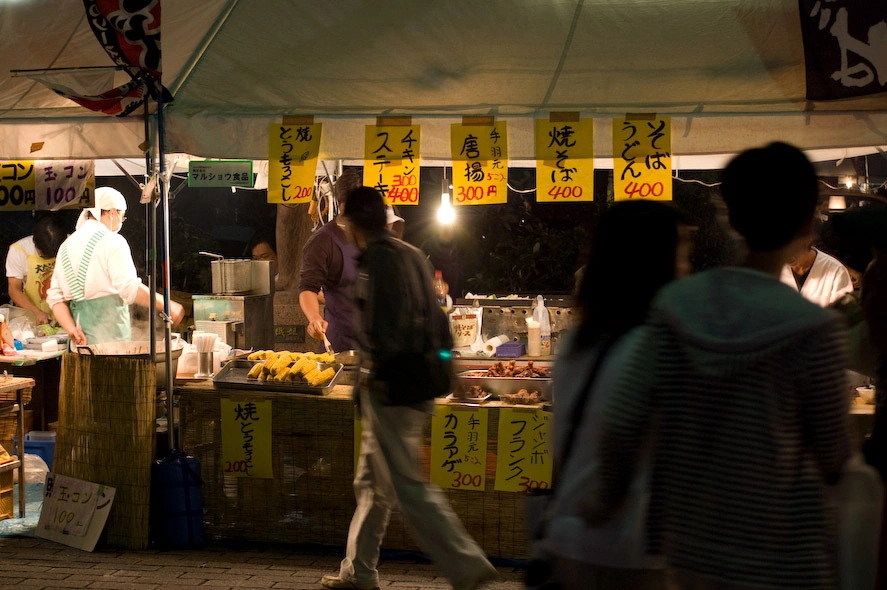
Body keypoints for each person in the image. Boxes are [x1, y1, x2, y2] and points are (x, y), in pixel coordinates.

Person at [589, 142, 852, 589]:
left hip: (691, 552)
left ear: (730, 216)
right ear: (809, 221)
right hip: (785, 561)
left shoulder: (675, 305)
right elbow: (834, 457)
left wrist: (604, 503)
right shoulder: (815, 328)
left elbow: (624, 422)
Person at [321, 187, 498, 590]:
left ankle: (468, 565)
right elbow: (439, 322)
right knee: (371, 484)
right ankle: (358, 572)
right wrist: (453, 373)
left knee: (407, 486)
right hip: (415, 384)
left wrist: (373, 380)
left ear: (350, 223)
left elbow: (387, 331)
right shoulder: (411, 254)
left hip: (392, 389)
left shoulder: (379, 262)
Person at [543, 201, 692, 590]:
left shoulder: (577, 343)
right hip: (630, 549)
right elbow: (623, 439)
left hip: (570, 538)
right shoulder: (655, 347)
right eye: (680, 253)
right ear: (652, 261)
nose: (686, 268)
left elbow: (564, 444)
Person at [46, 187, 185, 346]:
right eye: (122, 216)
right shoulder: (112, 241)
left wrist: (71, 329)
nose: (121, 221)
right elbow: (129, 288)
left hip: (79, 341)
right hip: (111, 341)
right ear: (112, 212)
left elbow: (55, 297)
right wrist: (167, 304)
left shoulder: (65, 246)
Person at [299, 169, 362, 352]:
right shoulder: (322, 241)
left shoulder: (376, 237)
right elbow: (307, 287)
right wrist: (314, 318)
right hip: (341, 346)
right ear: (337, 202)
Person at [5, 214, 66, 325]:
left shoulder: (71, 244)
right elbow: (14, 289)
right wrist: (36, 312)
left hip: (66, 314)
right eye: (43, 256)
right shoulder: (19, 250)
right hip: (33, 317)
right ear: (33, 241)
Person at [779, 241, 853, 306]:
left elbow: (844, 315)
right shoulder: (775, 268)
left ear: (807, 241)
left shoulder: (836, 271)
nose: (787, 255)